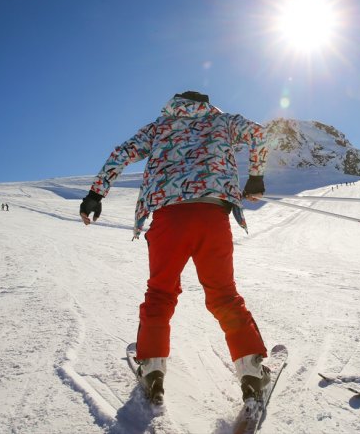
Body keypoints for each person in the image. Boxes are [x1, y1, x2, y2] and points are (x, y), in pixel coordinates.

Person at [79, 91, 270, 404]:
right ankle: (250, 369)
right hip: (212, 215)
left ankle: (153, 366)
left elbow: (122, 153)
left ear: (176, 103)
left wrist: (95, 195)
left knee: (161, 292)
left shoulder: (159, 127)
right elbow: (259, 133)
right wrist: (256, 176)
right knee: (224, 295)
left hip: (169, 219)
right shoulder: (222, 120)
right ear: (207, 103)